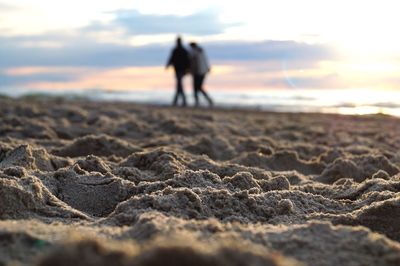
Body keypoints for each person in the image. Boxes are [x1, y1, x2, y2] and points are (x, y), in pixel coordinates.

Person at [166, 36, 191, 107]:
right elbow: (171, 58)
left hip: (180, 70)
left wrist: (168, 65)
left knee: (179, 84)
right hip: (179, 69)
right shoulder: (180, 50)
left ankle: (178, 101)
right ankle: (180, 101)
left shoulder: (180, 50)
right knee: (179, 84)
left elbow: (187, 60)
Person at [189, 42, 213, 107]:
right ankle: (205, 100)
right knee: (198, 87)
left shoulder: (194, 52)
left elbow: (194, 62)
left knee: (197, 87)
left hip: (198, 72)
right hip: (202, 71)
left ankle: (198, 101)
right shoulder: (201, 52)